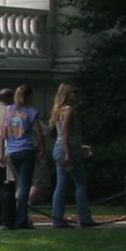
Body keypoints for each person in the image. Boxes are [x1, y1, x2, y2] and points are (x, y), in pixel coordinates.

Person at [49, 81, 95, 229]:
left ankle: (57, 218)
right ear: (67, 94)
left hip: (58, 149)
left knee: (61, 184)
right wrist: (69, 153)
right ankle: (85, 218)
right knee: (80, 183)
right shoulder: (69, 110)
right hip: (68, 149)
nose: (77, 95)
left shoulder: (58, 110)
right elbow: (66, 133)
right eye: (74, 92)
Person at [1, 82, 42, 229]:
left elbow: (3, 132)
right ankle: (21, 218)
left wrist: (2, 152)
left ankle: (15, 214)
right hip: (27, 149)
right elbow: (39, 132)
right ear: (29, 96)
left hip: (12, 151)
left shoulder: (9, 110)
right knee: (25, 184)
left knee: (18, 183)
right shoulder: (32, 112)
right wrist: (42, 149)